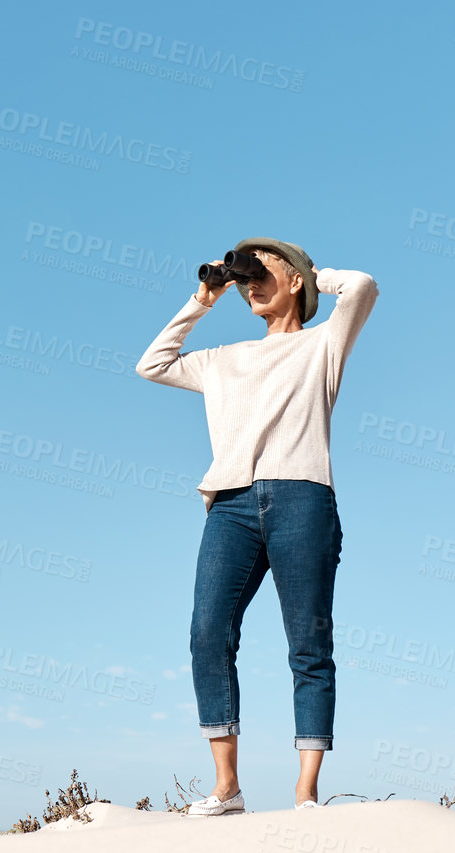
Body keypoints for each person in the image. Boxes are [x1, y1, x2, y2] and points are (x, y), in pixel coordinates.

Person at [135, 237, 378, 816]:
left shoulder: (323, 345)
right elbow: (153, 364)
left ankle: (306, 791)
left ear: (295, 282)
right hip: (232, 506)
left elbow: (364, 286)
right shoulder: (224, 359)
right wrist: (203, 299)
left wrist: (317, 272)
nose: (250, 284)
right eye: (243, 277)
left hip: (304, 499)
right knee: (206, 633)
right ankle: (227, 787)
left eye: (261, 272)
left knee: (309, 646)